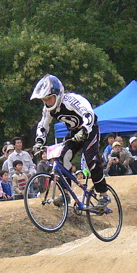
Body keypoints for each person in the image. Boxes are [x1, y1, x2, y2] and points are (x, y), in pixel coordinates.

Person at [31, 74, 111, 209]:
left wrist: (85, 130)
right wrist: (39, 141)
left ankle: (104, 194)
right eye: (45, 99)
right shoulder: (48, 109)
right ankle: (65, 194)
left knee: (91, 160)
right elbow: (43, 125)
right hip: (74, 133)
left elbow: (88, 114)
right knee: (62, 159)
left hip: (90, 130)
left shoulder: (71, 101)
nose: (47, 102)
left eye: (49, 98)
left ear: (58, 95)